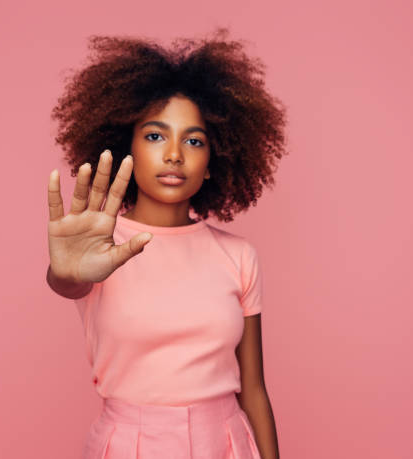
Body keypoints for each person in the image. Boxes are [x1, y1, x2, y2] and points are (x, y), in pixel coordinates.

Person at [46, 28, 287, 459]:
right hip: (127, 446)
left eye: (193, 141)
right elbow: (68, 281)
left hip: (226, 444)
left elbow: (253, 388)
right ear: (128, 148)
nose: (174, 153)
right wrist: (63, 273)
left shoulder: (239, 257)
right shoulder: (98, 246)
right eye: (156, 136)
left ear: (213, 162)